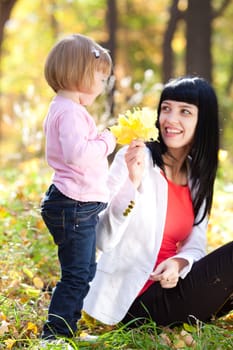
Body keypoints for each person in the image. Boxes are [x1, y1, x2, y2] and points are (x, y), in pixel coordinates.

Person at [83, 76, 233, 328]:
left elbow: (195, 246)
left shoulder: (198, 176)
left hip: (174, 288)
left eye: (185, 111)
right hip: (134, 300)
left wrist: (179, 262)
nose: (170, 119)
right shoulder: (133, 158)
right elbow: (102, 238)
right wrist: (133, 183)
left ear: (202, 121)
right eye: (166, 108)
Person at [40, 33, 116, 346]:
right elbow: (78, 155)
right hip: (73, 206)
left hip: (78, 205)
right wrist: (108, 140)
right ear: (79, 72)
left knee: (84, 270)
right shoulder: (69, 112)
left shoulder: (68, 108)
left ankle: (67, 328)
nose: (102, 85)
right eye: (100, 77)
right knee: (76, 273)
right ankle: (54, 335)